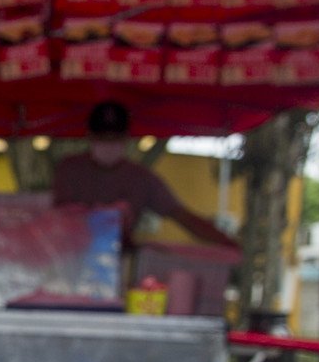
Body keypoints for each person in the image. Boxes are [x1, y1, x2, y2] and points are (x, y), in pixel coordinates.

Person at [51, 100, 241, 250]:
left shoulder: (140, 178)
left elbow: (182, 216)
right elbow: (60, 218)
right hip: (70, 260)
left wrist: (226, 242)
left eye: (115, 138)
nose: (108, 144)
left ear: (126, 137)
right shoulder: (70, 169)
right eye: (103, 138)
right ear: (90, 136)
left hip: (119, 265)